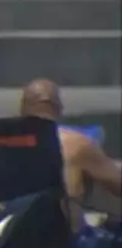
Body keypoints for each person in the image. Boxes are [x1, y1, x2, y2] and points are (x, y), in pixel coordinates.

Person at [19, 79, 122, 220]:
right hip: (61, 238)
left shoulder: (2, 142)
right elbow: (117, 182)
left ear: (22, 109)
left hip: (7, 237)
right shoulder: (75, 143)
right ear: (59, 108)